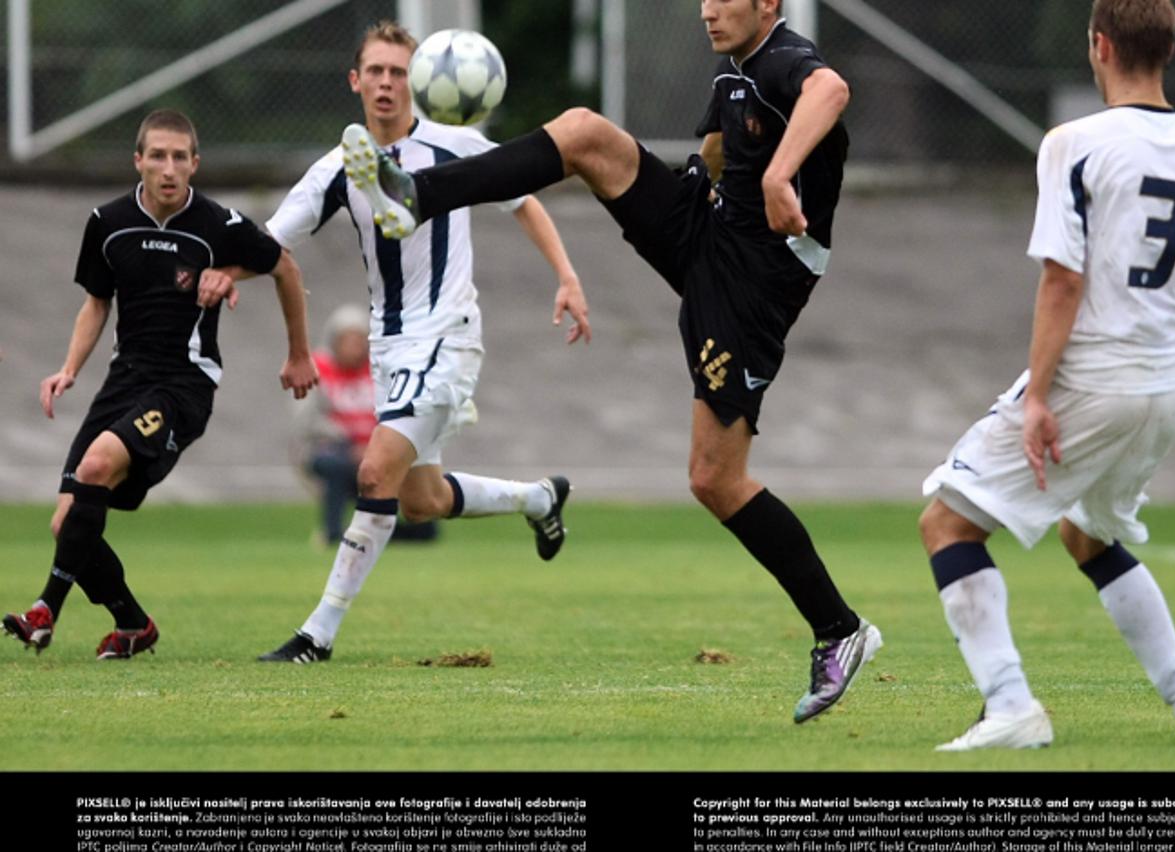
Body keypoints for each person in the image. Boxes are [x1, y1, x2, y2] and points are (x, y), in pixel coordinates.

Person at [343, 0, 880, 722]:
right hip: (708, 226)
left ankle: (841, 630)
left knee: (714, 479)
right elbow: (722, 149)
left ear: (770, 5)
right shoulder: (738, 69)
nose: (707, 9)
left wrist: (781, 176)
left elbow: (831, 90)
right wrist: (695, 181)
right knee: (584, 133)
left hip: (755, 281)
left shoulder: (785, 58)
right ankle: (417, 195)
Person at [918, 0, 1175, 751]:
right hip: (1166, 391)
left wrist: (1038, 397)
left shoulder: (1075, 143)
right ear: (1169, 51)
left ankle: (1010, 707)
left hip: (1093, 379)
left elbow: (1062, 279)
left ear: (1100, 46)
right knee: (1087, 534)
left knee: (947, 523)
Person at [257, 21, 591, 664]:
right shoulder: (336, 168)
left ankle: (316, 635)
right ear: (355, 81)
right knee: (420, 500)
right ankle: (539, 498)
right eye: (375, 72)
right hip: (388, 347)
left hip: (447, 335)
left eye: (397, 72)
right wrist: (219, 268)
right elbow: (271, 242)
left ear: (416, 82)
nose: (386, 83)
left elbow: (522, 199)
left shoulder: (454, 143)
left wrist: (568, 276)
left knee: (373, 471)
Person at [3, 109, 319, 659]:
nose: (168, 168)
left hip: (183, 385)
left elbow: (285, 267)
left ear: (195, 163)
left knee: (95, 468)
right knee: (67, 522)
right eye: (157, 156)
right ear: (138, 161)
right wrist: (69, 368)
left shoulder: (219, 224)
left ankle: (44, 610)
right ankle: (133, 624)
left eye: (179, 157)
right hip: (124, 381)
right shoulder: (107, 222)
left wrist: (298, 354)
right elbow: (96, 302)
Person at [297, 304, 438, 545]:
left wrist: (377, 445)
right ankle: (332, 532)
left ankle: (395, 533)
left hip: (379, 447)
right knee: (336, 466)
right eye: (348, 340)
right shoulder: (317, 368)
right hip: (333, 448)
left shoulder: (380, 371)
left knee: (417, 476)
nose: (355, 346)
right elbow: (307, 421)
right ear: (335, 341)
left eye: (360, 340)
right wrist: (348, 441)